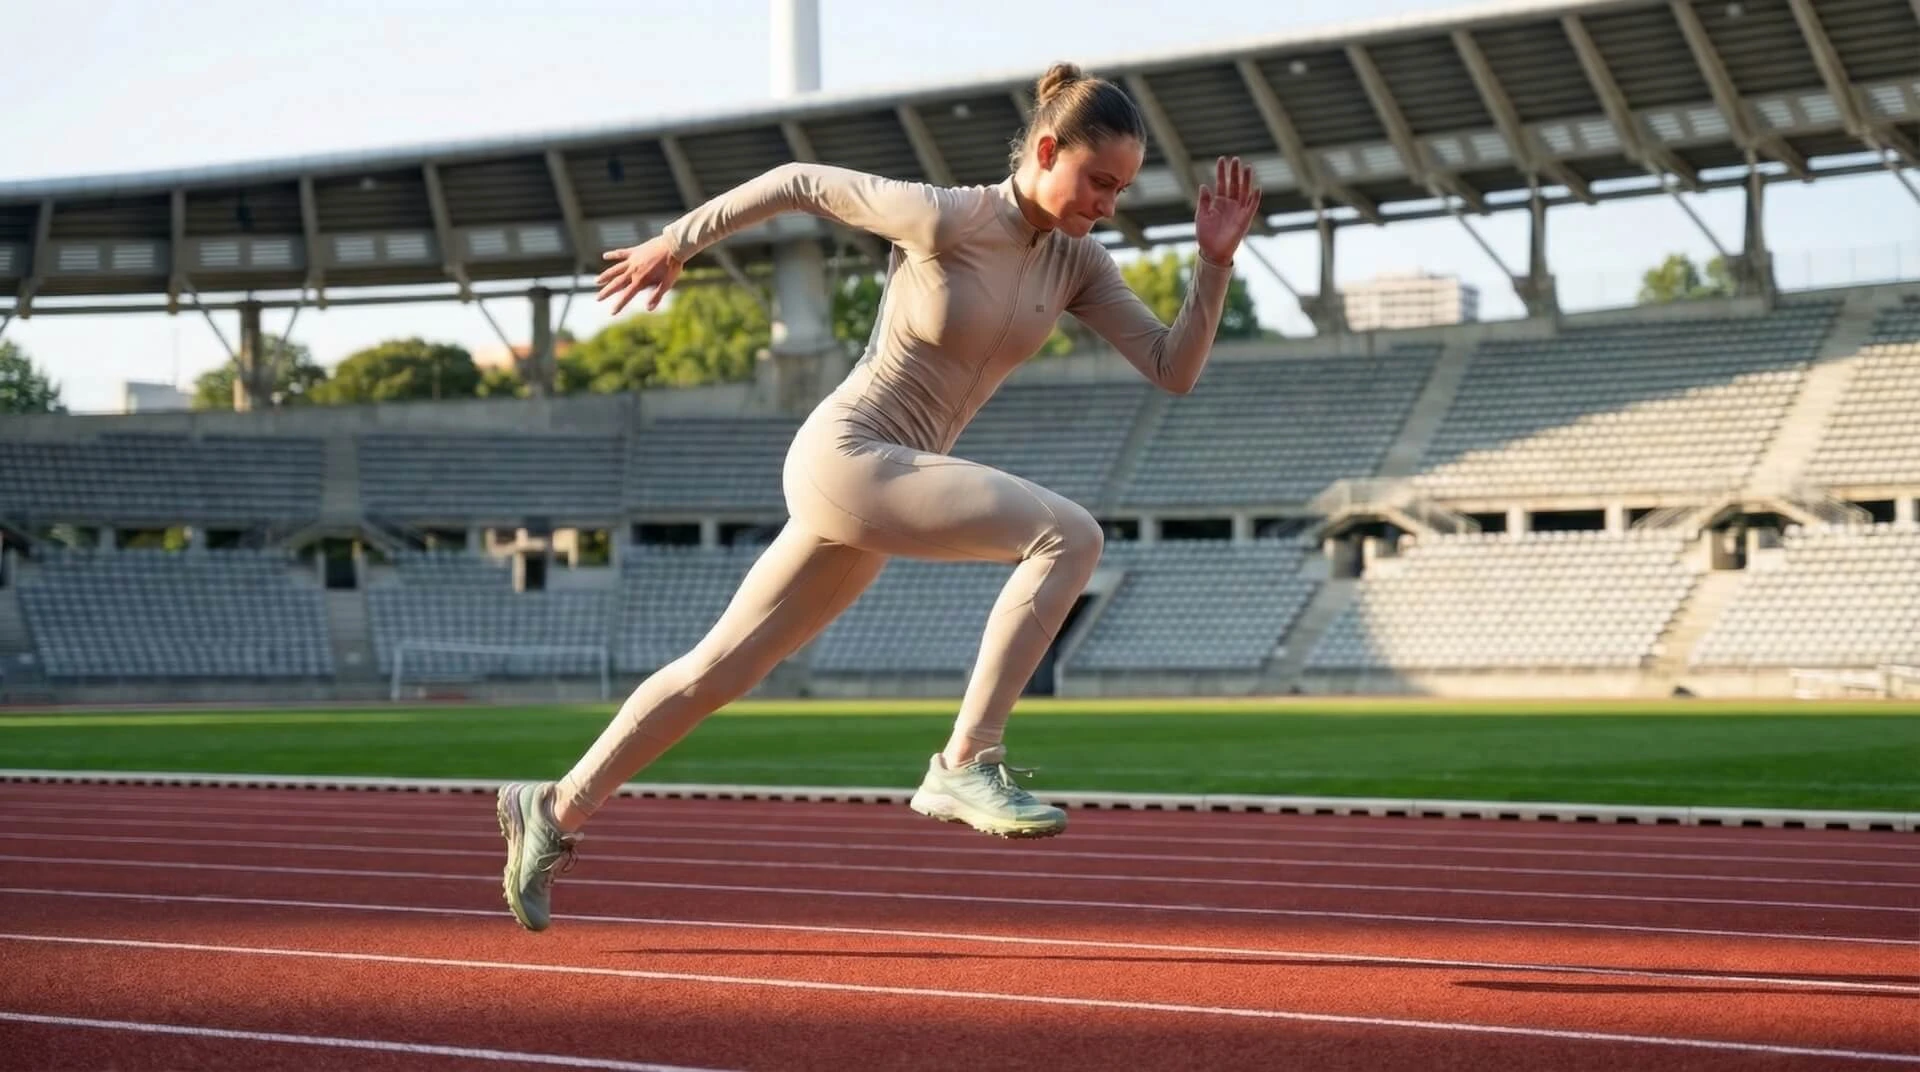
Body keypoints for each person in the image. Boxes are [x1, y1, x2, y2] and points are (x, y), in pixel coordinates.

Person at [496, 61, 1262, 932]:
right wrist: (677, 242)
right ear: (1047, 150)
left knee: (717, 671)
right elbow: (797, 182)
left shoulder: (1078, 263)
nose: (1109, 205)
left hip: (885, 486)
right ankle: (966, 759)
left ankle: (552, 807)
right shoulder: (945, 216)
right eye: (1099, 181)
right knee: (1070, 537)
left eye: (1121, 189)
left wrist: (1214, 264)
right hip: (848, 454)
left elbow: (1173, 368)